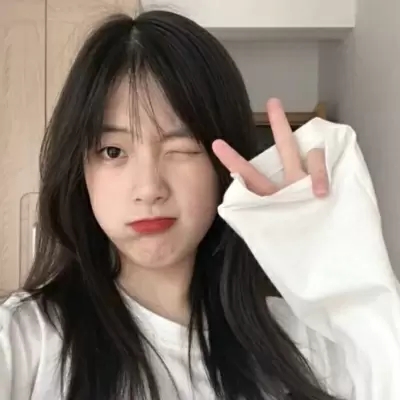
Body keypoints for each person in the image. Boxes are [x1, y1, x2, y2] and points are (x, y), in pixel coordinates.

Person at [1, 9, 399, 400]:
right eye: (112, 151)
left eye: (182, 146)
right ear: (79, 171)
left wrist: (331, 265)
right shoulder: (26, 340)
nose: (149, 189)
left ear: (222, 166)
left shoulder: (299, 339)